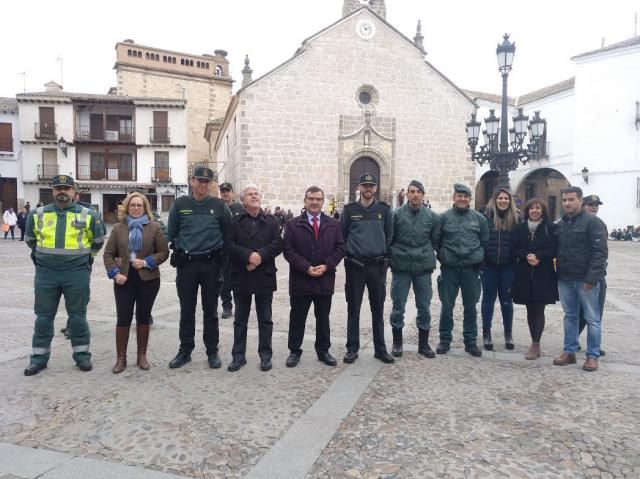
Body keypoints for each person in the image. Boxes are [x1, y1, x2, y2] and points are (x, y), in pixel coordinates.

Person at [23, 175, 104, 376]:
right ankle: (39, 359)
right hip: (46, 274)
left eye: (66, 188)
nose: (62, 191)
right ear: (52, 191)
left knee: (77, 317)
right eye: (58, 188)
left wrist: (85, 259)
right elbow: (30, 240)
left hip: (76, 273)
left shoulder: (88, 215)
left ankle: (82, 356)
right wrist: (44, 258)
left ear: (74, 192)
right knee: (43, 317)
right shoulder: (37, 214)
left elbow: (98, 241)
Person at [167, 167, 231, 370]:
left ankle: (212, 351)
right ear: (192, 181)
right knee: (186, 310)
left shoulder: (219, 206)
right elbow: (172, 233)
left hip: (212, 264)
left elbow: (228, 234)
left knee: (210, 311)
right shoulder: (180, 205)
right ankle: (185, 351)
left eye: (207, 181)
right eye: (200, 180)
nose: (203, 184)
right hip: (187, 265)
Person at [103, 192, 169, 373]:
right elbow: (108, 254)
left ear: (145, 208)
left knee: (143, 317)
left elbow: (163, 252)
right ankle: (121, 358)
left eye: (140, 205)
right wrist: (115, 273)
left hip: (148, 279)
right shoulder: (118, 228)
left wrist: (147, 261)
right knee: (123, 318)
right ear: (127, 207)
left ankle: (142, 356)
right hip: (124, 279)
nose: (136, 208)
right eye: (133, 205)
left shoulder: (154, 227)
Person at [283, 186, 345, 367]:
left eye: (318, 199)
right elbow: (288, 250)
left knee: (323, 317)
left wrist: (327, 265)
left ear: (323, 202)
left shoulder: (334, 224)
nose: (315, 202)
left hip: (325, 279)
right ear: (305, 200)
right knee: (297, 317)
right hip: (301, 279)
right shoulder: (292, 224)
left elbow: (341, 248)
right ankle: (294, 351)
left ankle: (323, 350)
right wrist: (306, 267)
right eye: (311, 198)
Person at [226, 185, 283, 372]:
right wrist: (248, 256)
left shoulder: (272, 221)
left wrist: (259, 256)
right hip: (242, 274)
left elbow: (277, 244)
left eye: (256, 194)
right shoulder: (235, 222)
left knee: (265, 319)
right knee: (240, 319)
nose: (254, 197)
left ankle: (266, 356)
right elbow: (229, 245)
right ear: (243, 200)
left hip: (264, 275)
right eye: (250, 195)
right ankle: (238, 356)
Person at [340, 173, 395, 364]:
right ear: (359, 188)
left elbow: (389, 235)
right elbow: (342, 236)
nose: (368, 189)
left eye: (371, 185)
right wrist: (350, 254)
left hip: (377, 266)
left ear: (376, 188)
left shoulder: (384, 210)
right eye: (365, 185)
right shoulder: (349, 210)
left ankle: (380, 349)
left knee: (377, 309)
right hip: (355, 267)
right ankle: (352, 349)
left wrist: (384, 257)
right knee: (353, 308)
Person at [553, 187, 608, 372]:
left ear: (580, 201)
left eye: (571, 200)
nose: (567, 203)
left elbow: (600, 253)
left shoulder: (594, 222)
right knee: (570, 317)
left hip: (586, 280)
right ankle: (569, 352)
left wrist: (592, 278)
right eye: (564, 200)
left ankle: (592, 356)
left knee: (592, 318)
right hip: (565, 278)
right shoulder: (560, 224)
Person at [436, 183, 489, 357]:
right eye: (459, 196)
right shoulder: (443, 218)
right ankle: (444, 340)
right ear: (454, 198)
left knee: (470, 306)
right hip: (449, 269)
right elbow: (436, 241)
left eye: (466, 196)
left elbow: (485, 241)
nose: (462, 199)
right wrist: (443, 256)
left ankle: (471, 341)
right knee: (447, 306)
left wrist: (477, 257)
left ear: (470, 199)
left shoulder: (479, 219)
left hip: (470, 270)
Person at [389, 180, 440, 358]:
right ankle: (397, 343)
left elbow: (435, 240)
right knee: (398, 306)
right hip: (401, 265)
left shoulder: (432, 217)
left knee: (424, 306)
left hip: (422, 266)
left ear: (423, 194)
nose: (415, 195)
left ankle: (423, 344)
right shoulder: (395, 215)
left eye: (419, 191)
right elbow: (390, 239)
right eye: (412, 191)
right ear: (407, 194)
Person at [511, 198, 558, 360]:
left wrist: (539, 256)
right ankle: (534, 340)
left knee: (539, 308)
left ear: (543, 210)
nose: (535, 210)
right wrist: (526, 255)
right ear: (527, 211)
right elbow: (514, 248)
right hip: (525, 273)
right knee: (530, 308)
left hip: (543, 273)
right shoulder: (520, 228)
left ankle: (536, 343)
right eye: (532, 208)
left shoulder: (550, 227)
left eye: (538, 208)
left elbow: (554, 249)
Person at [480, 188, 519, 351]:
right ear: (495, 200)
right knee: (488, 300)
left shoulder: (516, 218)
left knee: (507, 301)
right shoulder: (485, 216)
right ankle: (486, 332)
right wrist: (481, 261)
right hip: (489, 266)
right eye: (500, 198)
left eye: (506, 198)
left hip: (507, 266)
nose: (503, 201)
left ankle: (508, 332)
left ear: (510, 201)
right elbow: (479, 239)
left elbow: (519, 242)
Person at [578, 194, 607, 357]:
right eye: (591, 204)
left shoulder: (599, 224)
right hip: (580, 275)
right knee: (579, 313)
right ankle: (573, 341)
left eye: (596, 205)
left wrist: (596, 274)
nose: (594, 207)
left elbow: (602, 252)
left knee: (595, 313)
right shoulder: (577, 222)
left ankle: (593, 346)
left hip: (597, 275)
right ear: (583, 205)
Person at [219, 182, 245, 320]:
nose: (225, 193)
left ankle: (240, 307)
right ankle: (227, 307)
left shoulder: (239, 208)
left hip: (237, 250)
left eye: (227, 191)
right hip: (222, 250)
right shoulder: (217, 207)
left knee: (239, 280)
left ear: (232, 193)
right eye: (223, 191)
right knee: (224, 281)